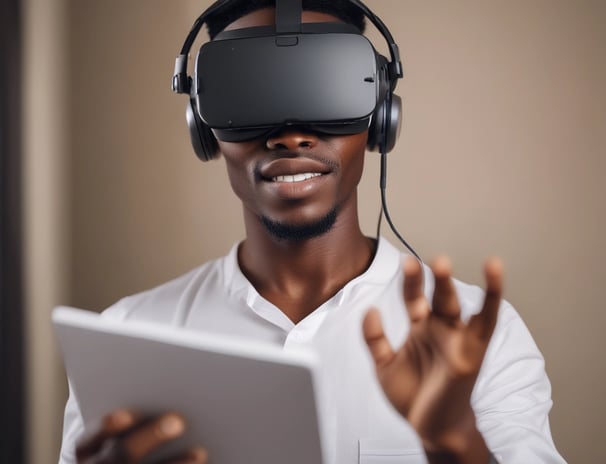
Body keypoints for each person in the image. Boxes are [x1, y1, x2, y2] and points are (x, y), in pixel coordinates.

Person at [59, 1, 565, 463]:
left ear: (381, 117)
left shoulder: (479, 337)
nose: (290, 134)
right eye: (249, 91)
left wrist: (456, 440)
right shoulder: (129, 339)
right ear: (201, 124)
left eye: (326, 87)